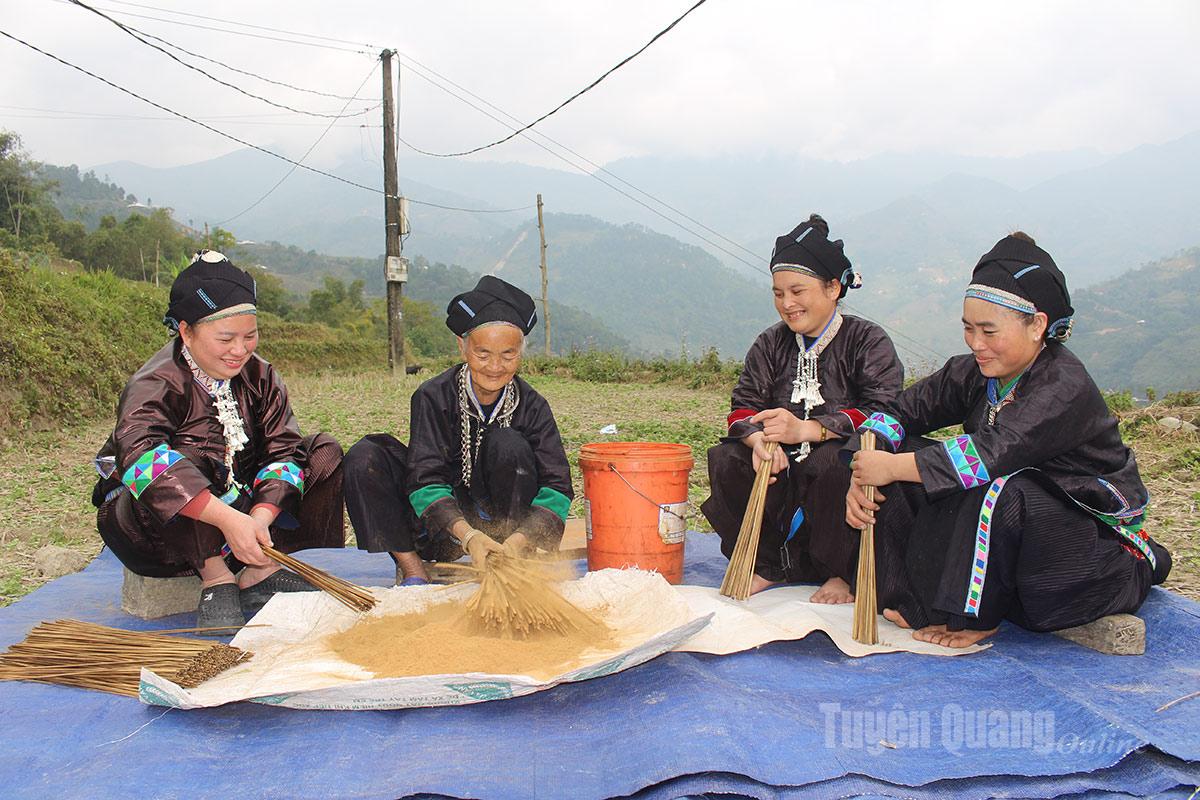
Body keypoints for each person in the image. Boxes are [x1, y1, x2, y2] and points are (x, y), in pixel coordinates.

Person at [846, 232, 1172, 648]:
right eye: (968, 329)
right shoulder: (972, 373)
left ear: (1037, 326)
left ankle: (976, 616)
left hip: (1087, 540)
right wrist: (866, 465)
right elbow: (896, 411)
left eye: (988, 331)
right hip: (1014, 529)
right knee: (906, 452)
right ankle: (915, 599)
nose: (975, 344)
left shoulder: (1062, 385)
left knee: (1001, 487)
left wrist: (891, 468)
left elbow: (991, 455)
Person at [92, 251, 346, 629]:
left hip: (246, 521)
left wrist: (259, 518)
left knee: (321, 452)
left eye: (250, 336)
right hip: (157, 532)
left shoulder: (261, 375)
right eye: (226, 338)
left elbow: (284, 449)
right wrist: (227, 519)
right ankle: (216, 577)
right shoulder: (155, 383)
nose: (240, 350)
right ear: (186, 331)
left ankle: (259, 571)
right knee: (181, 458)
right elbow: (140, 458)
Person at [700, 214, 904, 598]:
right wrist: (757, 442)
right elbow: (742, 406)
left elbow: (885, 409)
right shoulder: (770, 344)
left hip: (832, 474)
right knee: (728, 459)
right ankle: (768, 564)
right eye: (778, 293)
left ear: (832, 288)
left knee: (835, 463)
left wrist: (812, 430)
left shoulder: (867, 341)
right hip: (783, 474)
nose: (787, 304)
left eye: (797, 291)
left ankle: (841, 572)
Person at [343, 275, 573, 584]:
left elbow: (557, 488)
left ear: (520, 353)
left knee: (509, 445)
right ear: (462, 348)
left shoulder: (533, 406)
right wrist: (469, 537)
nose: (495, 366)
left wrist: (518, 540)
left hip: (507, 529)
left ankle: (510, 564)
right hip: (441, 527)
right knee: (365, 456)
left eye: (508, 354)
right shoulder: (432, 396)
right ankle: (413, 570)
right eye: (483, 354)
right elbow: (424, 479)